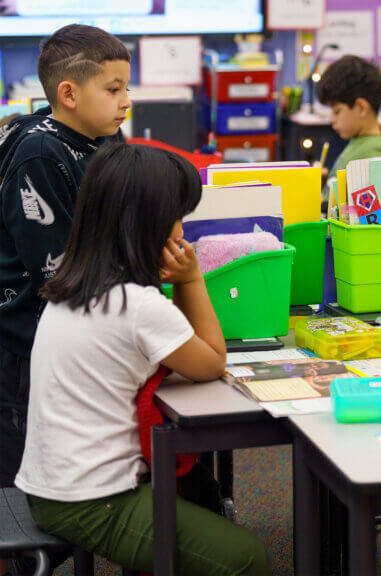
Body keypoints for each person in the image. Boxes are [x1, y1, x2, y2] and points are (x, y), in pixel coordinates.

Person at [14, 143, 269, 575]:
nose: (180, 231)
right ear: (146, 224)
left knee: (202, 491)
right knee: (246, 559)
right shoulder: (136, 305)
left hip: (54, 483)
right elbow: (212, 362)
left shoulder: (76, 287)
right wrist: (192, 278)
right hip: (91, 500)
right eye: (177, 218)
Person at [0, 24, 130, 488]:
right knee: (20, 481)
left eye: (126, 88)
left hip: (79, 327)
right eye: (113, 89)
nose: (126, 101)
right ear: (69, 93)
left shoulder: (106, 137)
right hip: (27, 343)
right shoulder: (40, 153)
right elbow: (57, 272)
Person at [316, 55, 381, 186]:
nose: (331, 119)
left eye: (337, 111)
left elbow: (364, 205)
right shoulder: (363, 143)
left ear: (361, 108)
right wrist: (328, 180)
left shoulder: (369, 155)